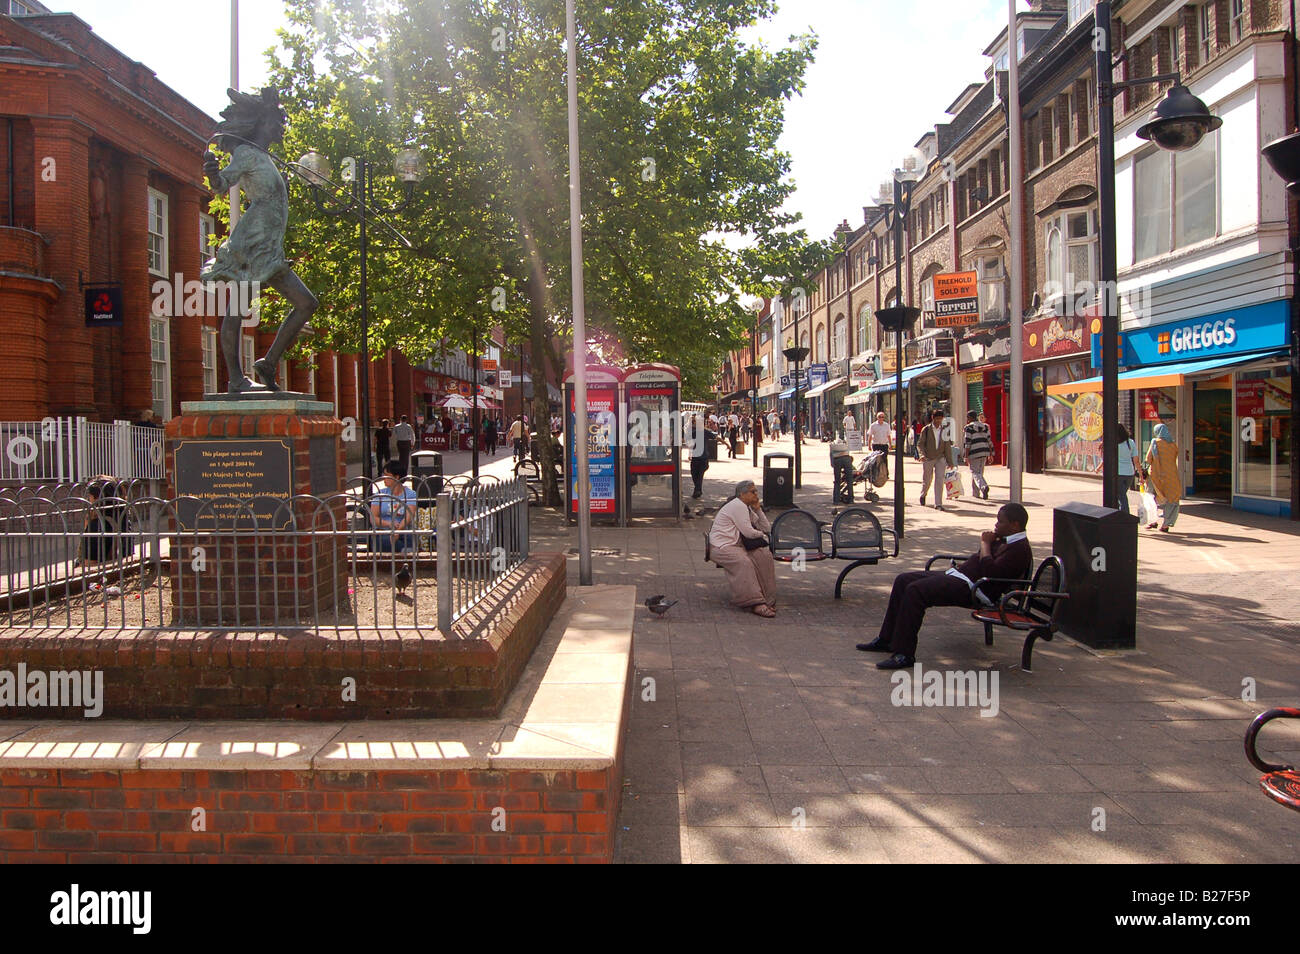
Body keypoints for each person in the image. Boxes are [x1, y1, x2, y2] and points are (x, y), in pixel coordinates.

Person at [857, 503, 1033, 669]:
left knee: (915, 591)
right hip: (962, 577)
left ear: (1015, 525)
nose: (996, 525)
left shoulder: (1019, 549)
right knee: (904, 580)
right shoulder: (1005, 538)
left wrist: (985, 544)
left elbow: (991, 572)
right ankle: (886, 639)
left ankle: (904, 653)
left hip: (975, 589)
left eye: (1000, 521)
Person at [708, 480, 777, 618]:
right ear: (742, 494)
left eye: (756, 491)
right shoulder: (737, 506)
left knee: (764, 556)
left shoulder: (748, 507)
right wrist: (762, 535)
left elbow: (766, 527)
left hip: (740, 545)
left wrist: (758, 509)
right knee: (743, 562)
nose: (756, 494)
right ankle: (755, 602)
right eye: (753, 492)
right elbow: (749, 532)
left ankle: (768, 599)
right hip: (723, 546)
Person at [370, 460, 417, 552]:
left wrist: (397, 530)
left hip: (403, 530)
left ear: (397, 477)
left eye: (387, 476)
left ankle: (404, 550)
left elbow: (409, 516)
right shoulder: (380, 494)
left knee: (409, 539)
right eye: (384, 475)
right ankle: (404, 550)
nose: (384, 478)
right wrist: (389, 524)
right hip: (383, 531)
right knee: (385, 542)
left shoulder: (410, 494)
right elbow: (373, 518)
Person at [1145, 422, 1182, 531]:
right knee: (1172, 499)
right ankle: (1166, 525)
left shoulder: (1155, 442)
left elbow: (1148, 459)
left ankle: (1152, 521)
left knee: (1151, 498)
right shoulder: (1173, 445)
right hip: (1171, 476)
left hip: (1155, 476)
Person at [918, 409, 952, 511]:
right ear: (933, 418)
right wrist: (922, 455)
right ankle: (923, 494)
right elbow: (920, 444)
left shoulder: (945, 430)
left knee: (939, 480)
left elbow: (947, 446)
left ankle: (938, 503)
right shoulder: (926, 430)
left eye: (940, 419)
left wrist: (950, 461)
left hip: (940, 458)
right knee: (927, 480)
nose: (939, 421)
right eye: (937, 418)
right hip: (928, 457)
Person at [962, 410, 993, 500]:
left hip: (974, 452)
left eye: (967, 417)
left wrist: (966, 456)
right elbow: (989, 441)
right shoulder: (985, 426)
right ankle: (976, 493)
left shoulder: (968, 428)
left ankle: (983, 486)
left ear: (970, 418)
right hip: (984, 451)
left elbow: (967, 443)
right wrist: (990, 454)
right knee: (979, 473)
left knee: (974, 472)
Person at [1116, 422, 1140, 515]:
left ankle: (1125, 515)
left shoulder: (1114, 443)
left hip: (1118, 472)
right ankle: (1120, 513)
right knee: (1122, 494)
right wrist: (1140, 474)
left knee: (1121, 496)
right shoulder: (1130, 442)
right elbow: (1136, 460)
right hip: (1130, 473)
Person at [686, 414, 710, 498]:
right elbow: (689, 443)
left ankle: (697, 491)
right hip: (696, 458)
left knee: (699, 475)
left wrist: (727, 444)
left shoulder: (705, 432)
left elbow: (716, 437)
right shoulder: (694, 433)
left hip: (702, 458)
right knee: (695, 474)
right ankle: (698, 490)